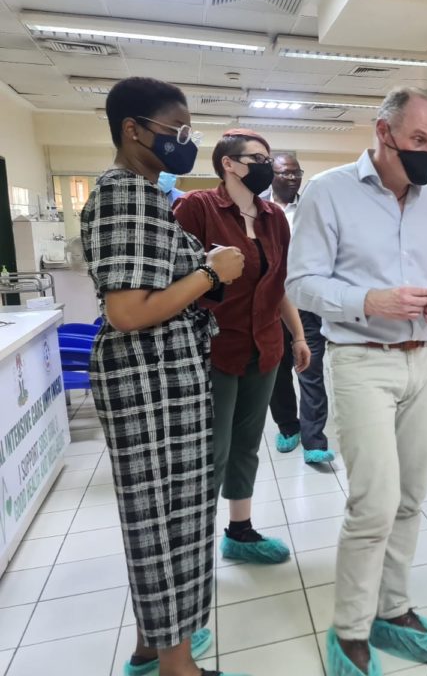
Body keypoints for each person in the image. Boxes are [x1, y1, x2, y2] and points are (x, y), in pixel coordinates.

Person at [287, 86, 427, 676]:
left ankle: (394, 607)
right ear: (383, 133)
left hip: (423, 361)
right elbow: (301, 284)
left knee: (410, 499)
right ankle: (352, 628)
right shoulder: (329, 193)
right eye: (418, 140)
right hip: (360, 361)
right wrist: (370, 299)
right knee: (375, 502)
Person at [80, 76, 246, 676]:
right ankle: (179, 668)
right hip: (148, 381)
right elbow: (127, 312)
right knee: (168, 519)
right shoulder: (126, 193)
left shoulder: (144, 191)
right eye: (176, 130)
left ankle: (154, 647)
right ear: (133, 130)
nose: (184, 141)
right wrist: (210, 272)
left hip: (162, 377)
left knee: (161, 516)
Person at [173, 129, 309, 565]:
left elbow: (278, 285)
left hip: (265, 346)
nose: (267, 166)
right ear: (228, 163)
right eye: (256, 158)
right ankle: (191, 557)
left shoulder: (273, 218)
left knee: (248, 442)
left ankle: (240, 531)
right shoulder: (198, 209)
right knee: (212, 449)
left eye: (268, 157)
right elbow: (175, 279)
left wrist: (299, 335)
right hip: (213, 348)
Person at [263, 154, 334, 463]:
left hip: (306, 300)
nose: (292, 178)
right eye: (284, 173)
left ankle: (314, 439)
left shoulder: (313, 208)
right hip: (270, 302)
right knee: (277, 371)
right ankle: (288, 426)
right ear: (271, 175)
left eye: (296, 173)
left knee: (312, 368)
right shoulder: (257, 208)